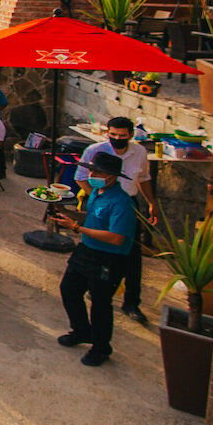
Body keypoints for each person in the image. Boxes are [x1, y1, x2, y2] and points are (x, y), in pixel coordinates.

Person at [51, 152, 137, 367]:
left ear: (112, 176)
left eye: (98, 172)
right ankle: (81, 330)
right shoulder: (98, 193)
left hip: (108, 257)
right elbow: (92, 219)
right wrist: (66, 213)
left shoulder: (121, 203)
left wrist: (77, 228)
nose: (93, 174)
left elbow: (117, 238)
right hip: (86, 250)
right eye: (92, 170)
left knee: (100, 303)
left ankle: (101, 347)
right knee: (69, 289)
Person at [77, 116, 153, 325]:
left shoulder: (139, 153)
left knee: (132, 256)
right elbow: (81, 177)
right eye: (113, 135)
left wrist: (151, 202)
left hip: (127, 204)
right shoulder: (95, 151)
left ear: (130, 135)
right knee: (98, 250)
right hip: (101, 201)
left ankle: (131, 302)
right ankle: (98, 289)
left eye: (122, 136)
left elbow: (144, 179)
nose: (117, 138)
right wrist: (98, 197)